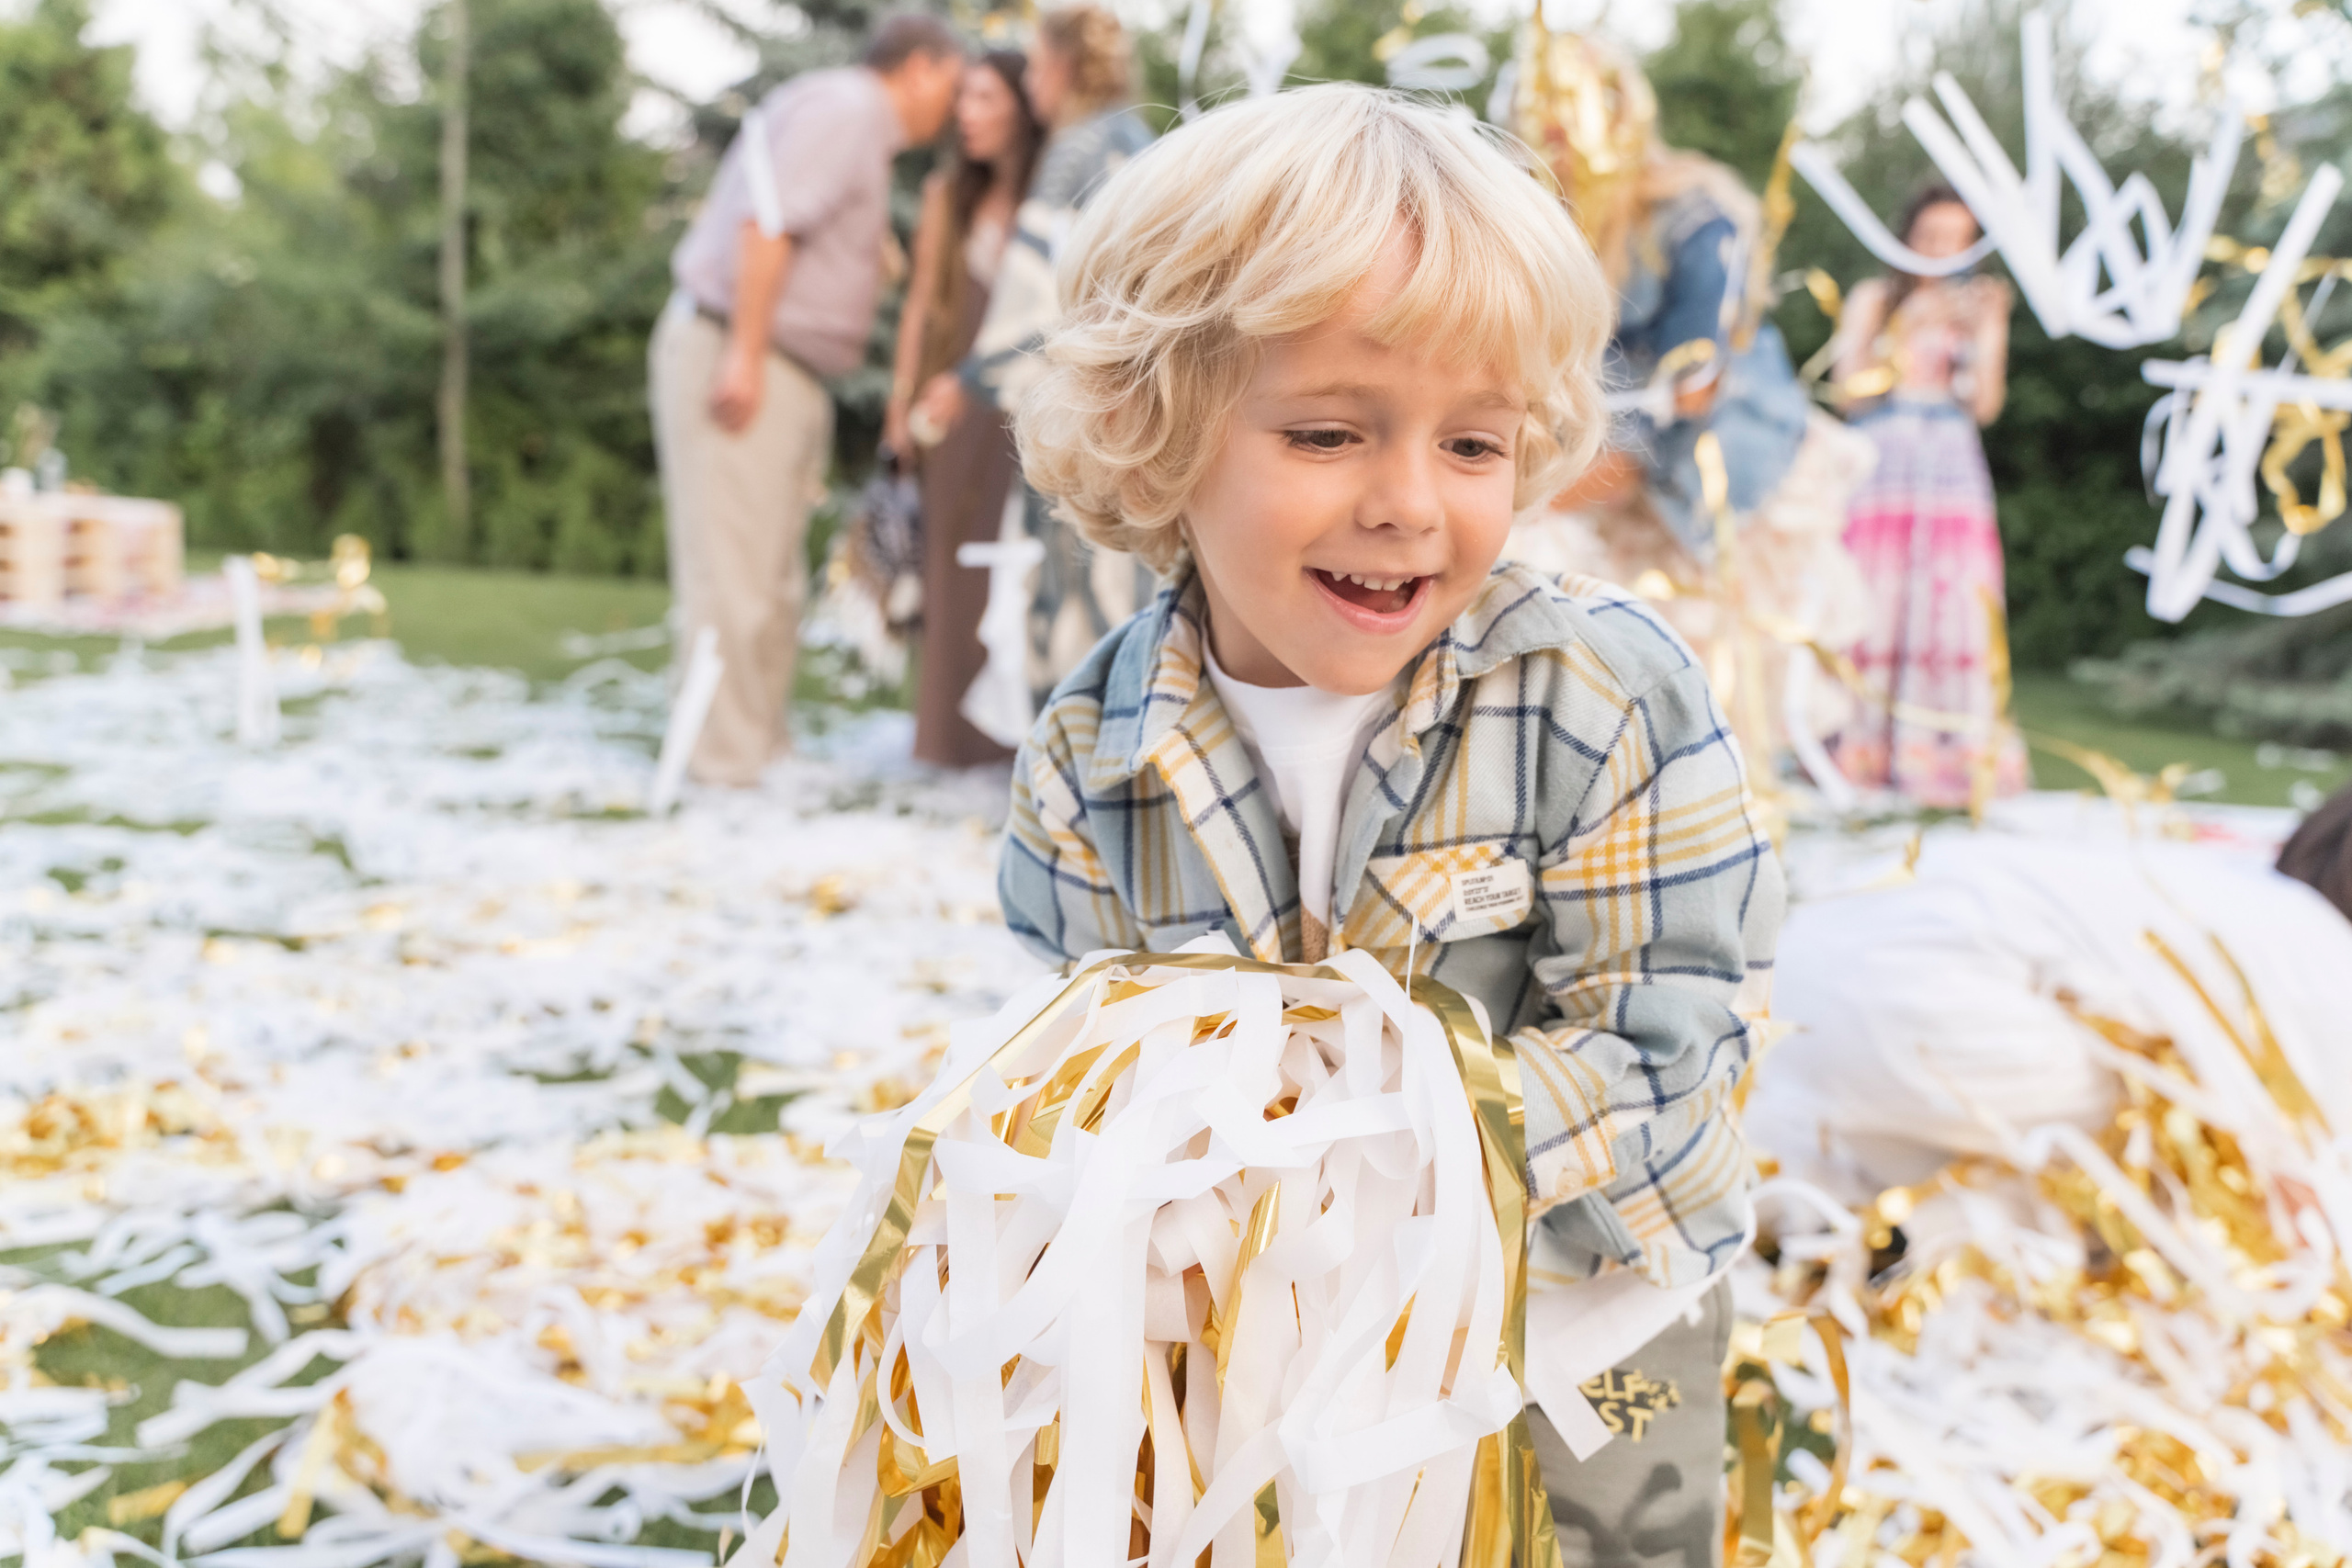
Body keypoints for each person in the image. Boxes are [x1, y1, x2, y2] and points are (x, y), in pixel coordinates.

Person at [998, 85, 1783, 1566]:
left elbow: (1675, 1047)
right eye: (1330, 431)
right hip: (1266, 1344)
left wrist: (1372, 1161)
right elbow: (1086, 1071)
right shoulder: (1088, 765)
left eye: (1475, 446)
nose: (1410, 503)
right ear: (1159, 431)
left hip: (1576, 1311)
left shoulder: (1600, 698)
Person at [1503, 25, 1872, 783]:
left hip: (1717, 471)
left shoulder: (1697, 216)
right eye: (1536, 122)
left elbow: (1687, 392)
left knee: (1718, 667)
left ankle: (1720, 831)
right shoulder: (1536, 225)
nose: (1551, 141)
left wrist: (1523, 497)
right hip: (1607, 456)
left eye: (1565, 120)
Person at [651, 15, 964, 787]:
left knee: (770, 574)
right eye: (954, 87)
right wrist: (746, 355)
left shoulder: (848, 118)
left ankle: (760, 748)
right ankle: (723, 768)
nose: (954, 109)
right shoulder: (850, 110)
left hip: (782, 364)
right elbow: (768, 220)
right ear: (920, 68)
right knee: (734, 575)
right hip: (743, 352)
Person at [906, 4, 1154, 739]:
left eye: (1037, 66)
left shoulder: (1075, 153)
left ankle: (1079, 766)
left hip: (1086, 406)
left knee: (1078, 595)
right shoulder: (1139, 142)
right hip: (1142, 407)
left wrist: (970, 379)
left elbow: (1040, 303)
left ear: (1062, 68)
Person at [1825, 183, 2027, 808]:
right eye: (1930, 236)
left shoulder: (1982, 304)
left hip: (1949, 464)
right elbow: (1845, 393)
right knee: (1872, 593)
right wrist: (1903, 330)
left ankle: (1947, 754)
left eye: (1956, 239)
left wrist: (1985, 332)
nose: (1941, 250)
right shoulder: (1875, 299)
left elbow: (1985, 404)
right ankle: (1857, 745)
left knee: (1954, 599)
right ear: (1907, 237)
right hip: (1884, 457)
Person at [886, 50, 1045, 769]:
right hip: (953, 405)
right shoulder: (947, 196)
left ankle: (1018, 739)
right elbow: (920, 307)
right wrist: (900, 403)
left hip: (1030, 405)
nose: (967, 115)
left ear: (1022, 103)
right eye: (963, 101)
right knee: (952, 567)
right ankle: (947, 743)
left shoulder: (1053, 195)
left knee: (1019, 565)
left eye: (984, 98)